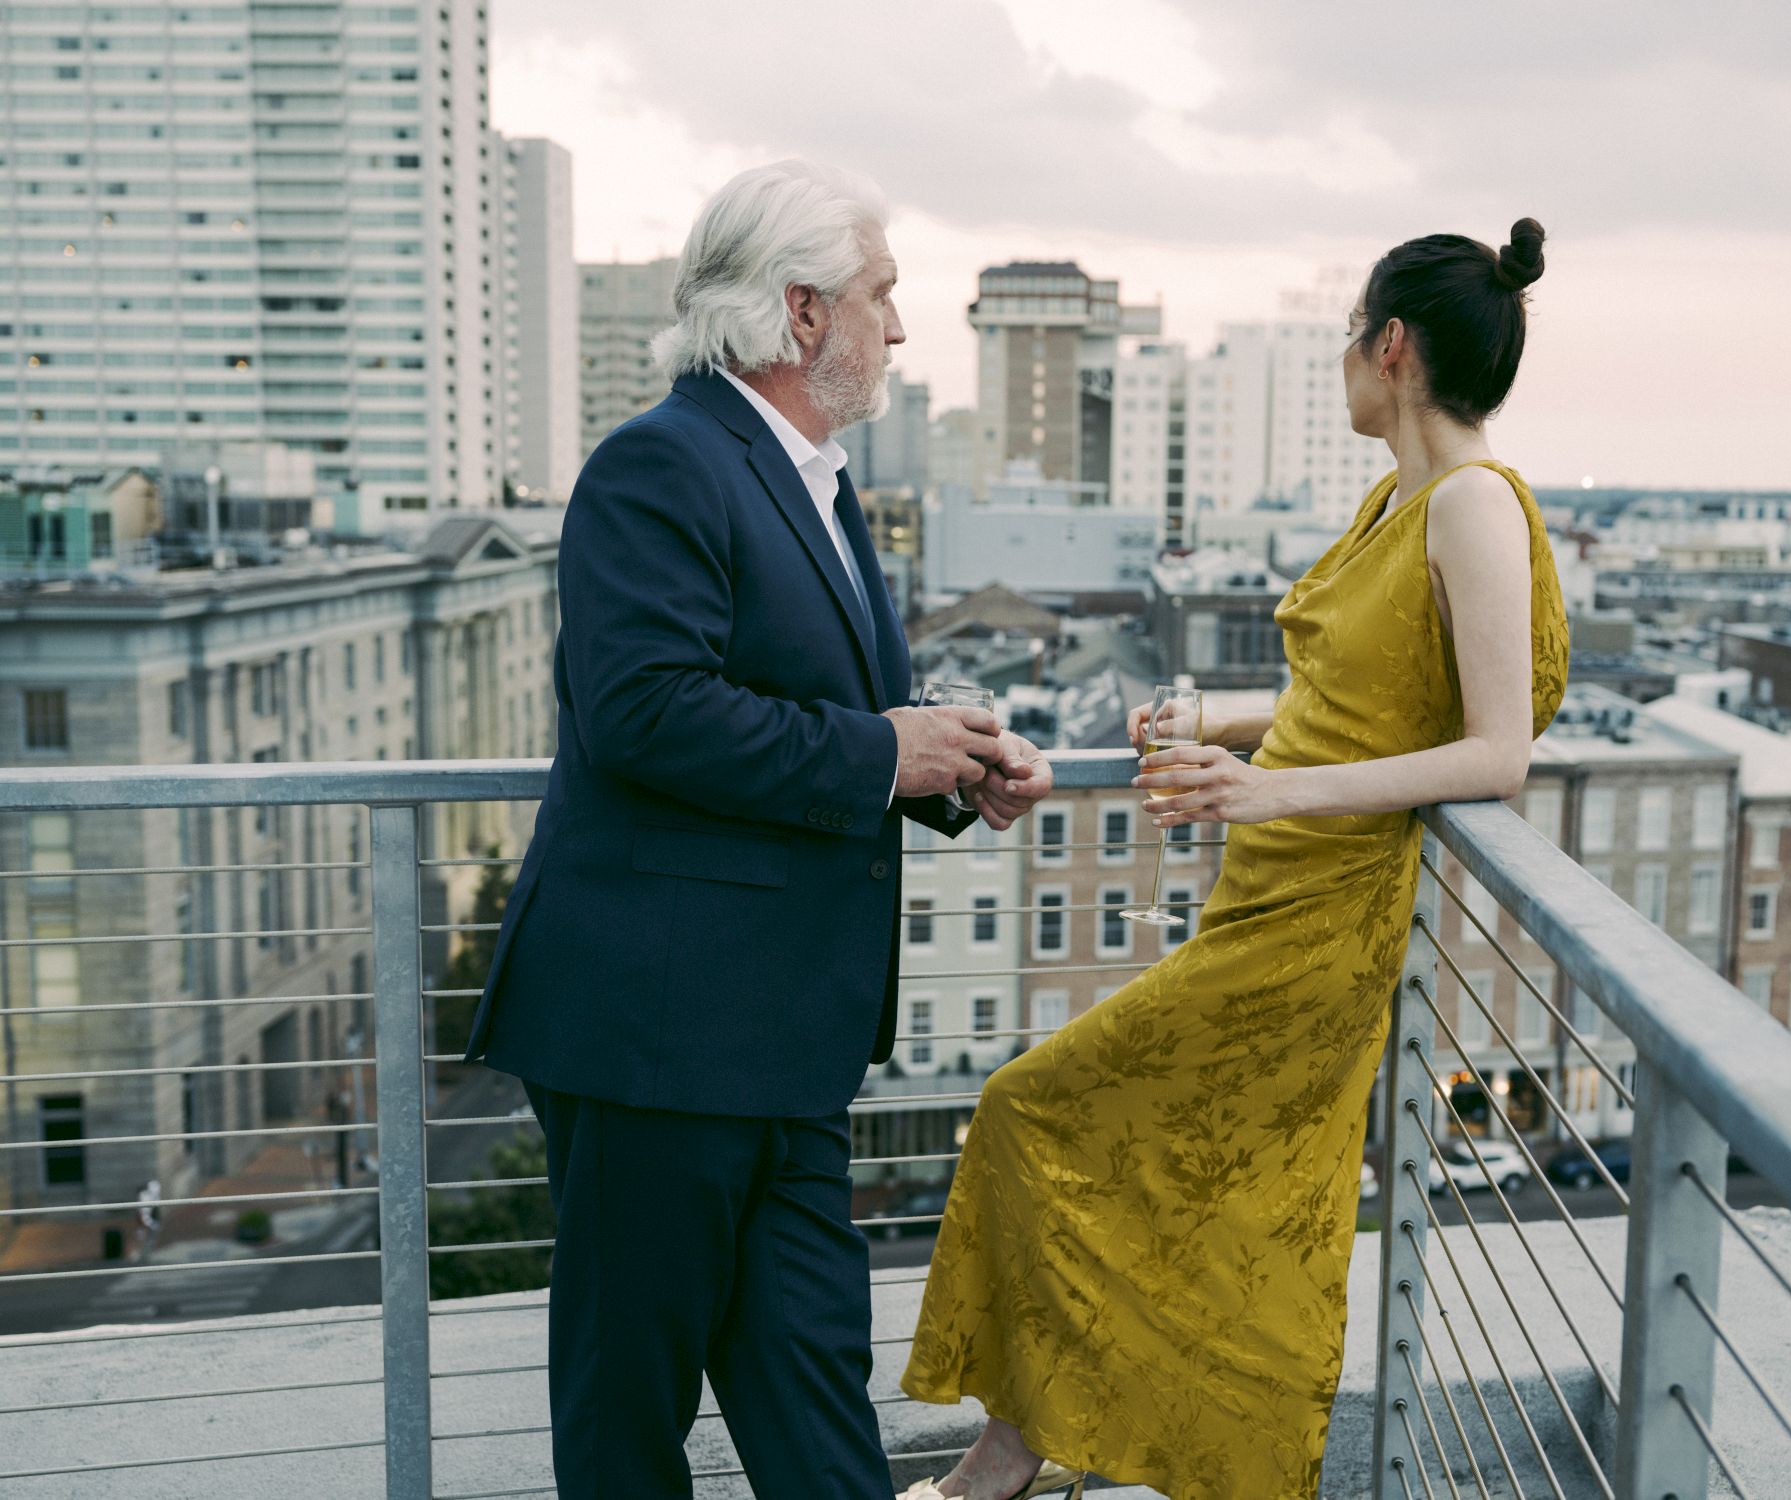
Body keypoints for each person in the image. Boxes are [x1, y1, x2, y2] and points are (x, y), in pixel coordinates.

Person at [900, 220, 1570, 1500]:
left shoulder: (1476, 505)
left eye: (1346, 341)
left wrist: (1264, 791)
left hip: (1319, 924)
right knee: (1193, 1187)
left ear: (1389, 347)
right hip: (1267, 900)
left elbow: (1494, 754)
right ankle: (1032, 1453)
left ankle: (1023, 1464)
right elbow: (1365, 698)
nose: (1341, 365)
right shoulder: (1401, 498)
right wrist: (1213, 726)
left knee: (1045, 1111)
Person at [462, 160, 1055, 1499]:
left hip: (786, 1039)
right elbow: (645, 714)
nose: (898, 329)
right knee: (631, 1409)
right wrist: (883, 749)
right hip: (656, 1035)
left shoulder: (819, 485)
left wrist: (951, 772)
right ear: (800, 314)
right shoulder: (657, 465)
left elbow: (837, 719)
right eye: (881, 296)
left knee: (813, 1402)